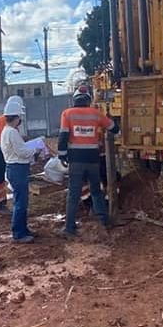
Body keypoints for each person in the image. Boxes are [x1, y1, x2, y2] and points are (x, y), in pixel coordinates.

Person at [58, 85, 118, 236]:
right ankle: (104, 220)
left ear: (75, 99)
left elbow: (63, 135)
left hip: (76, 160)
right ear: (89, 100)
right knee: (96, 190)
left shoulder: (67, 114)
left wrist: (62, 154)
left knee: (74, 193)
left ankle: (70, 228)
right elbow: (113, 128)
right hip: (93, 159)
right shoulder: (96, 114)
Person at [0, 97, 38, 243]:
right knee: (21, 202)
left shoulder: (7, 131)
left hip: (14, 168)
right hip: (18, 168)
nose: (20, 119)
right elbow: (22, 152)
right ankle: (19, 233)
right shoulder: (12, 133)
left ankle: (23, 229)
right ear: (16, 117)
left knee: (20, 200)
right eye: (19, 117)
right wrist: (35, 149)